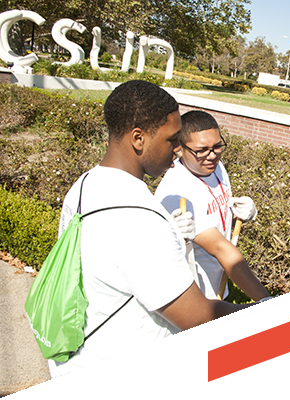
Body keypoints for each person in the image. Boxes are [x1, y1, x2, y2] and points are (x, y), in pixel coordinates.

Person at [49, 80, 250, 378]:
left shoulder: (85, 184)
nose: (178, 148)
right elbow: (197, 316)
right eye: (172, 140)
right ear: (138, 139)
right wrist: (266, 312)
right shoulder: (140, 216)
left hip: (78, 357)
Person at [155, 110, 270, 302]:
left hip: (218, 286)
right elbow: (218, 247)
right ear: (179, 148)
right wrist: (265, 300)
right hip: (193, 295)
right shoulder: (176, 193)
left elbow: (213, 212)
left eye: (217, 146)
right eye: (201, 150)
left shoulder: (216, 167)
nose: (212, 156)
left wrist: (237, 212)